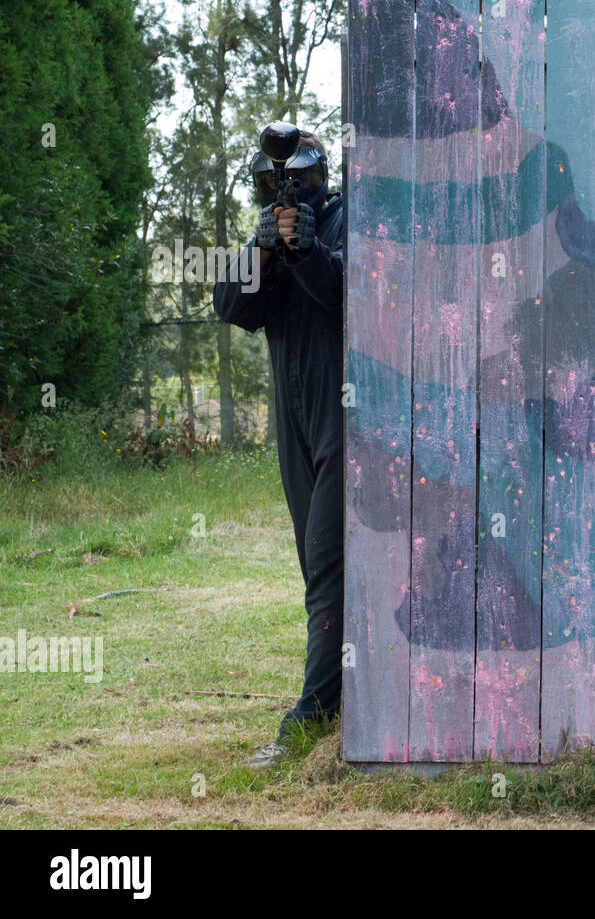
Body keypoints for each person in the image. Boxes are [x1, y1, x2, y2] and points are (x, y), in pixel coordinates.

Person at [213, 130, 345, 769]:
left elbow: (350, 296)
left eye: (292, 184)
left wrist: (306, 249)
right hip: (291, 420)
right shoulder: (264, 237)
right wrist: (265, 249)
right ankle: (340, 695)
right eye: (272, 188)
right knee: (314, 563)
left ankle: (313, 713)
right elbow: (230, 307)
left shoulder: (351, 219)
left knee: (325, 560)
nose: (284, 196)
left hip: (346, 415)